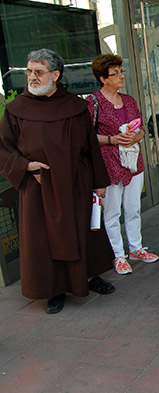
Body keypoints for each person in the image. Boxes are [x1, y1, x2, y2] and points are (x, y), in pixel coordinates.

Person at [0, 49, 116, 314]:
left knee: (84, 232)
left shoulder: (75, 106)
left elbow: (90, 146)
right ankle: (53, 290)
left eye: (38, 72)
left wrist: (99, 181)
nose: (32, 77)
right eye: (28, 71)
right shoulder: (16, 110)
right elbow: (3, 149)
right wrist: (26, 166)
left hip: (77, 182)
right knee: (44, 240)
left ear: (55, 75)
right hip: (39, 186)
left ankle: (89, 277)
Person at [87, 54, 158, 275]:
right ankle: (118, 254)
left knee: (133, 207)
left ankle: (136, 248)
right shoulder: (93, 103)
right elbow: (86, 136)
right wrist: (111, 139)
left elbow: (141, 127)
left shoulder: (128, 100)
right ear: (102, 78)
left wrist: (138, 136)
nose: (121, 76)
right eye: (115, 73)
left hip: (132, 160)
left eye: (121, 71)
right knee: (111, 211)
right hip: (109, 162)